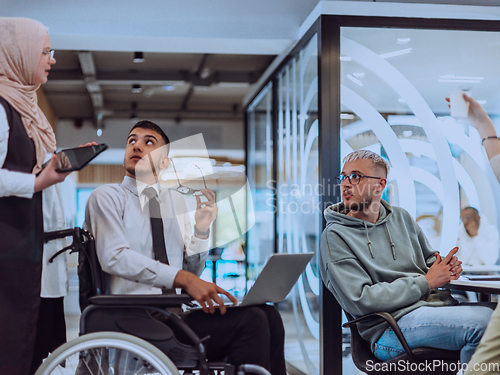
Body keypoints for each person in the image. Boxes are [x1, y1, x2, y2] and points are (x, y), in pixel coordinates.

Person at [83, 120, 286, 375]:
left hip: (173, 313)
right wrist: (182, 277)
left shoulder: (174, 202)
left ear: (165, 162)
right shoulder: (107, 196)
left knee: (269, 316)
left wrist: (201, 230)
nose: (136, 146)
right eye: (132, 140)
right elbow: (114, 257)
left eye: (149, 143)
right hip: (133, 315)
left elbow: (190, 269)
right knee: (252, 321)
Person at [319, 149, 494, 365]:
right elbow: (361, 299)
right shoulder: (335, 236)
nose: (346, 183)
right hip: (390, 329)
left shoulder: (401, 218)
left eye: (355, 176)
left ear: (380, 185)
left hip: (432, 309)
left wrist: (446, 268)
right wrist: (427, 282)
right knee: (485, 324)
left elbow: (429, 263)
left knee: (495, 317)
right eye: (343, 177)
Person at [0, 17, 72, 375]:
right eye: (45, 51)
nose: (52, 59)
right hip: (9, 257)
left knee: (27, 353)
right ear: (19, 54)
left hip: (27, 255)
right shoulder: (2, 108)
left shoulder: (28, 109)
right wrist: (38, 183)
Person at [458, 95, 500, 375]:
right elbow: (465, 259)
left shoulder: (490, 232)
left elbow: (485, 258)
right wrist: (484, 127)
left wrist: (484, 127)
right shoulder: (463, 233)